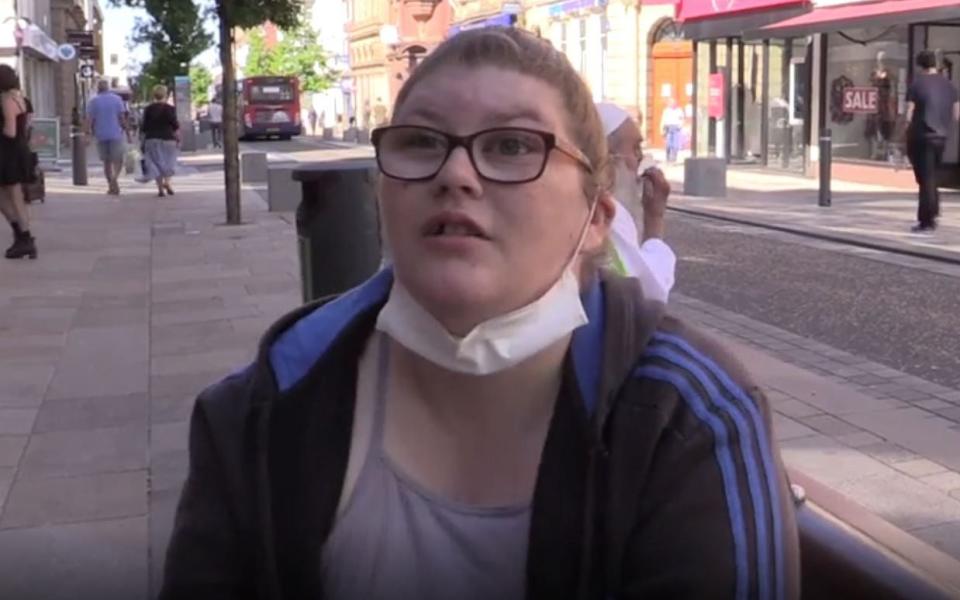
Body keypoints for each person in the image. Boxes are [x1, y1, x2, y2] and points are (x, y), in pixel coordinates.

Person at [160, 27, 799, 599]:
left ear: (597, 218)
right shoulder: (261, 408)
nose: (457, 173)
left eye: (514, 146)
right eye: (420, 142)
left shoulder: (691, 416)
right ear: (383, 193)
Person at [596, 102, 675, 304]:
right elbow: (649, 292)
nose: (640, 158)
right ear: (607, 157)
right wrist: (654, 219)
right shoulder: (606, 212)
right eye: (635, 148)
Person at [904, 50, 960, 233]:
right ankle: (933, 212)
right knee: (932, 176)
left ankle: (927, 220)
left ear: (920, 65)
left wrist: (904, 133)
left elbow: (909, 114)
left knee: (925, 179)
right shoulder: (949, 86)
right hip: (941, 137)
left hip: (921, 136)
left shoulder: (917, 85)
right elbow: (956, 113)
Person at [0, 64, 37, 259]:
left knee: (11, 197)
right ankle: (24, 237)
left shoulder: (6, 100)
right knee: (16, 197)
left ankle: (23, 237)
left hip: (8, 152)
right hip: (19, 150)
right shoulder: (19, 97)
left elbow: (10, 130)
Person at [85, 79, 128, 195]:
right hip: (115, 134)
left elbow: (89, 120)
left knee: (106, 162)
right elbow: (122, 118)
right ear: (108, 87)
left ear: (98, 88)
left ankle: (111, 186)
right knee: (118, 160)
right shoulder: (117, 99)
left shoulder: (93, 101)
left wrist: (87, 135)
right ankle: (114, 179)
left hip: (101, 135)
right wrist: (128, 133)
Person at [140, 85, 180, 197]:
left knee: (156, 163)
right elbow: (175, 125)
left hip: (152, 138)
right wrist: (178, 137)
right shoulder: (170, 109)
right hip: (168, 138)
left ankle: (160, 190)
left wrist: (142, 141)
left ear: (154, 95)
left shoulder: (148, 109)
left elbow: (144, 127)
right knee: (169, 162)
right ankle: (167, 182)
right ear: (165, 95)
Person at [659, 98, 686, 163]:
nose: (673, 104)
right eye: (671, 103)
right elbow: (663, 120)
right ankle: (668, 157)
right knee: (668, 144)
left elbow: (682, 119)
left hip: (676, 128)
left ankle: (674, 157)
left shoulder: (679, 110)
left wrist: (680, 126)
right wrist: (661, 129)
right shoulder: (666, 111)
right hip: (668, 128)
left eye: (674, 103)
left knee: (675, 144)